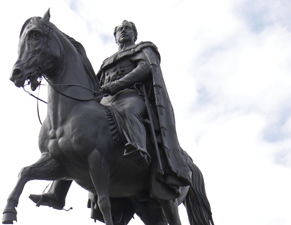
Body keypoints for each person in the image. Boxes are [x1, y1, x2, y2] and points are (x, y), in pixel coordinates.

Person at [30, 19, 190, 211]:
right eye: (120, 30)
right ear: (115, 36)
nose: (123, 31)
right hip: (107, 99)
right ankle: (57, 193)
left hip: (131, 96)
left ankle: (139, 148)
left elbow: (145, 69)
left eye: (128, 29)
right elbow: (95, 83)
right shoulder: (107, 61)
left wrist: (115, 85)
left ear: (134, 34)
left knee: (128, 111)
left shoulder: (143, 48)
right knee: (75, 134)